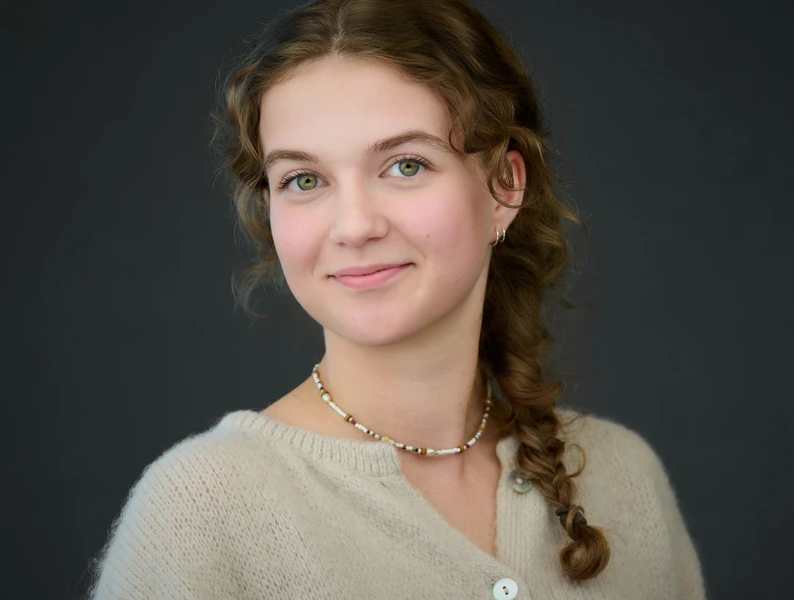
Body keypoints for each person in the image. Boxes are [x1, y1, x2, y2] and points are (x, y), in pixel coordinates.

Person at [85, 0, 707, 598]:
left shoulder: (625, 478)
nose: (354, 226)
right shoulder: (200, 511)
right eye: (304, 180)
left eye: (405, 165)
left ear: (504, 186)